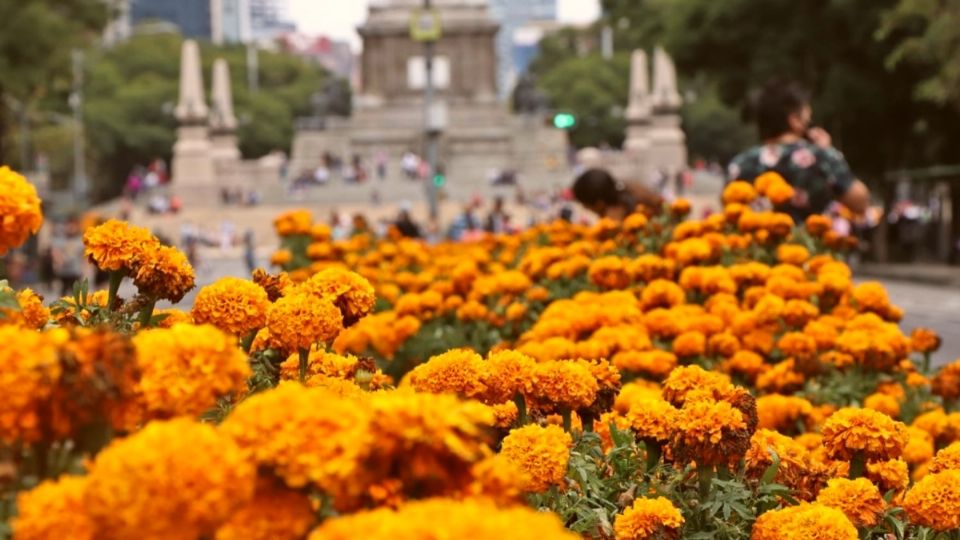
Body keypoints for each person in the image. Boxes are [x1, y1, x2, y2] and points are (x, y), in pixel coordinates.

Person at [727, 79, 870, 220]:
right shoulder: (820, 157)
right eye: (808, 119)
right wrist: (829, 153)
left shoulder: (741, 163)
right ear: (795, 120)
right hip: (806, 242)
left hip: (756, 242)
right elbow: (860, 202)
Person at [571, 168, 664, 220]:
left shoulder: (613, 221)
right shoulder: (630, 187)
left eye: (586, 206)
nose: (585, 209)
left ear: (599, 204)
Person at [50, 217, 85, 296]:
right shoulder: (60, 240)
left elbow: (84, 256)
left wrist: (86, 270)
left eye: (73, 226)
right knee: (63, 295)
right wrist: (58, 260)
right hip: (63, 272)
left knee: (76, 296)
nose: (71, 228)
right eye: (69, 225)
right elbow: (55, 252)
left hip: (76, 272)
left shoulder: (80, 240)